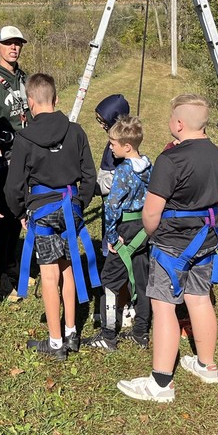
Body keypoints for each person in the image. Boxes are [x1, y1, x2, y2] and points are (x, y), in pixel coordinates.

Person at [117, 94, 218, 402]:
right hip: (205, 241)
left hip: (171, 244)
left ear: (179, 124)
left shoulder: (171, 159)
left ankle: (160, 384)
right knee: (200, 299)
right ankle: (206, 364)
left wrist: (153, 235)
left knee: (163, 306)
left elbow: (151, 212)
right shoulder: (217, 155)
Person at [6, 73, 98, 360]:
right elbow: (90, 176)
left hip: (43, 212)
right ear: (56, 100)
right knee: (68, 267)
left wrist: (20, 211)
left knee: (49, 274)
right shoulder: (76, 131)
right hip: (70, 208)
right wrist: (80, 203)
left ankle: (56, 341)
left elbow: (13, 186)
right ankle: (71, 330)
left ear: (30, 103)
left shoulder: (24, 138)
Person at [83, 115, 151, 352]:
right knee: (142, 279)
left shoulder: (123, 172)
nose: (110, 147)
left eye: (113, 143)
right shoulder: (148, 165)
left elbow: (112, 206)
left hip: (124, 229)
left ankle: (108, 334)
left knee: (110, 280)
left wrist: (111, 236)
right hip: (143, 228)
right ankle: (141, 331)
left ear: (127, 146)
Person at [0, 25, 31, 300]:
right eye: (9, 43)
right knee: (4, 218)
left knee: (17, 214)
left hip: (24, 156)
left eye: (18, 43)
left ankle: (12, 268)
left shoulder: (21, 77)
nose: (14, 47)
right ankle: (0, 274)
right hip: (2, 161)